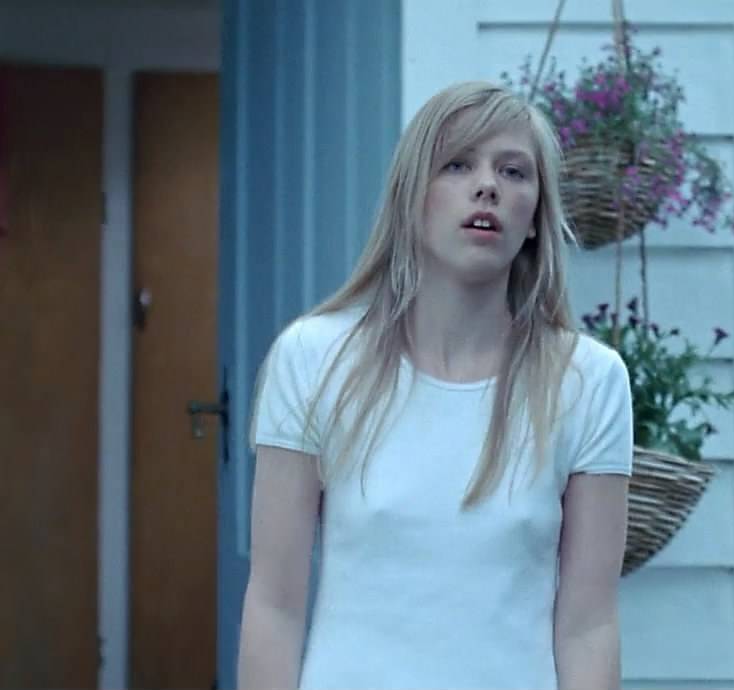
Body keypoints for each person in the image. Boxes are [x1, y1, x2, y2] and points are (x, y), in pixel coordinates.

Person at [236, 80, 633, 690]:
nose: (487, 186)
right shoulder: (313, 359)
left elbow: (588, 626)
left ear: (535, 218)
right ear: (411, 197)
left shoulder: (588, 380)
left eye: (513, 171)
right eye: (457, 164)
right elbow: (274, 605)